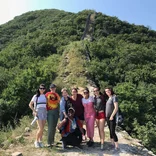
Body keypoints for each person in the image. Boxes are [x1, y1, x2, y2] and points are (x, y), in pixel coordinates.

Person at [29, 84, 47, 148]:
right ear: (39, 89)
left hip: (44, 112)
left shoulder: (45, 96)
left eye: (43, 88)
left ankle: (40, 141)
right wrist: (34, 111)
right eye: (41, 88)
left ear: (45, 89)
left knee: (42, 128)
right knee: (40, 128)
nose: (42, 90)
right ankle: (36, 141)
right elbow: (30, 104)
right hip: (38, 113)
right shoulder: (35, 96)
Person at [105, 87, 119, 152]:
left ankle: (116, 146)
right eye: (106, 91)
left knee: (113, 131)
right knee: (110, 131)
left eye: (108, 91)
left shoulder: (114, 97)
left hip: (112, 117)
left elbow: (116, 108)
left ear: (111, 91)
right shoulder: (109, 98)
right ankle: (112, 144)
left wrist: (112, 116)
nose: (107, 92)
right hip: (108, 117)